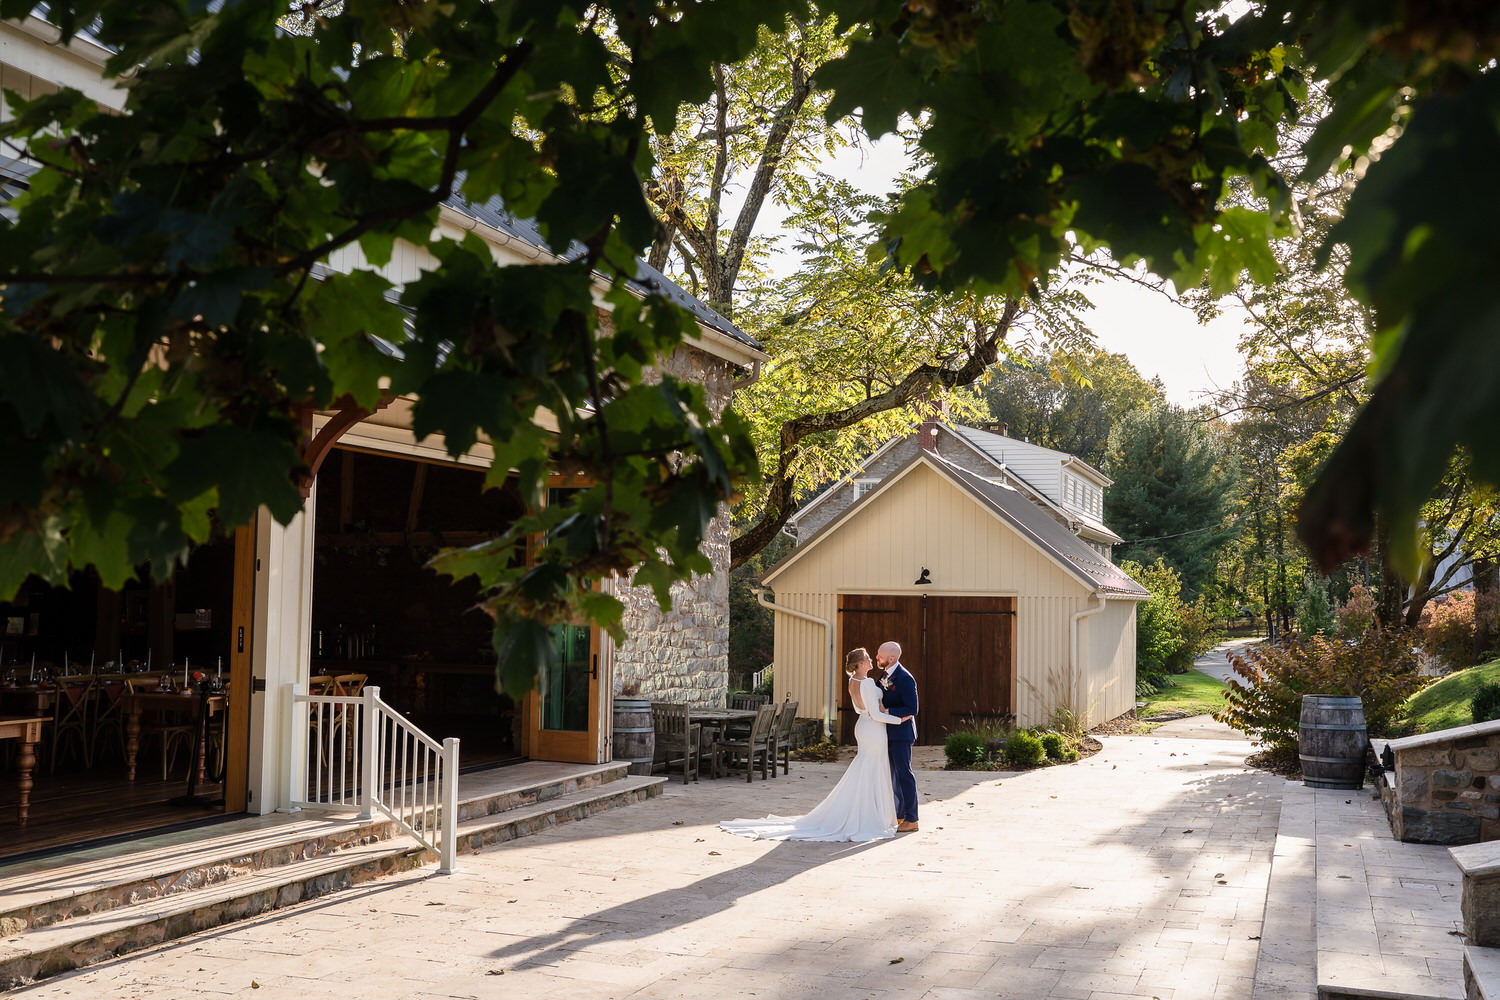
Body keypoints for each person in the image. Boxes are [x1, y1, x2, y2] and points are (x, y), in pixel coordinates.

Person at [720, 647, 909, 842]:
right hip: (873, 729)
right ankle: (871, 817)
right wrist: (899, 719)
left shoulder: (852, 681)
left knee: (865, 769)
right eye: (868, 658)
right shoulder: (868, 683)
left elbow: (861, 709)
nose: (871, 660)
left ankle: (866, 812)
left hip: (863, 726)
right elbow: (876, 714)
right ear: (861, 664)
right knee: (873, 770)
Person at [874, 641, 920, 832]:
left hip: (902, 733)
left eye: (880, 655)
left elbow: (912, 708)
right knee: (894, 776)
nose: (877, 657)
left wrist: (888, 710)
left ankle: (912, 819)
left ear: (891, 659)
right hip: (889, 732)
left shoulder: (905, 678)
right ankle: (900, 815)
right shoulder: (885, 675)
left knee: (904, 774)